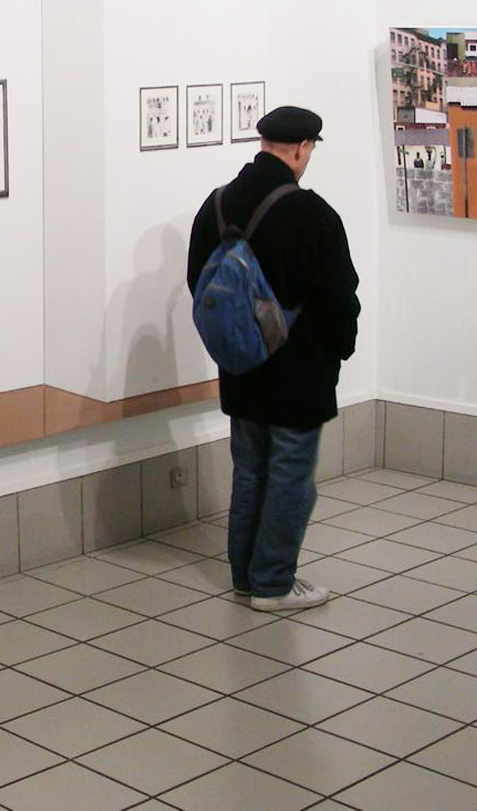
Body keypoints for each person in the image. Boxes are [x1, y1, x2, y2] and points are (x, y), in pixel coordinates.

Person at [186, 106, 360, 612]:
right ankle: (273, 583)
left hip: (240, 367)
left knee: (249, 471)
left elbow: (199, 282)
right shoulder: (313, 214)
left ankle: (245, 577)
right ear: (303, 147)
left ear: (264, 143)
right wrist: (341, 347)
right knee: (290, 476)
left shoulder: (218, 204)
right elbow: (339, 297)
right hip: (300, 372)